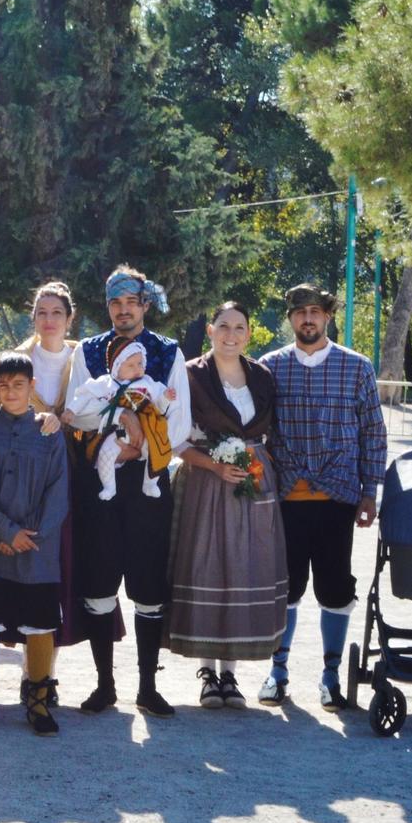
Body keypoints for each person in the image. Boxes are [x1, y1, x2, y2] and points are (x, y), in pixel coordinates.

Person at [64, 266, 189, 718]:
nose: (122, 311)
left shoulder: (167, 352)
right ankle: (104, 685)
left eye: (130, 303)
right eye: (115, 303)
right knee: (99, 582)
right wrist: (115, 436)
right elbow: (76, 412)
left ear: (145, 305)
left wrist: (140, 449)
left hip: (147, 481)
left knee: (148, 585)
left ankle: (147, 687)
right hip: (99, 479)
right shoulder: (90, 352)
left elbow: (179, 421)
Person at [259, 283, 387, 709]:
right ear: (290, 318)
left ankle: (331, 675)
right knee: (286, 587)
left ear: (328, 316)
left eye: (315, 311)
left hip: (339, 498)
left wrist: (369, 492)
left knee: (334, 587)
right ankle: (277, 672)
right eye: (300, 312)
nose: (307, 319)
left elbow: (372, 430)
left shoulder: (356, 367)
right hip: (285, 499)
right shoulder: (270, 367)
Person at [164, 302, 286, 709]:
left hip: (253, 479)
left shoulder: (263, 377)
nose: (230, 335)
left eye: (239, 328)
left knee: (243, 569)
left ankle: (230, 675)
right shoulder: (190, 375)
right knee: (208, 566)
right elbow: (175, 440)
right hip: (205, 481)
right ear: (211, 331)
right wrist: (215, 466)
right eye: (223, 327)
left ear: (249, 334)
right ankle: (207, 673)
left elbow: (270, 434)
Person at [0, 351, 70, 734]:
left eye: (18, 384)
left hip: (37, 547)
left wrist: (25, 534)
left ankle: (38, 700)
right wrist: (5, 531)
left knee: (39, 624)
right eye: (3, 385)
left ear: (32, 386)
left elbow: (58, 493)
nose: (10, 392)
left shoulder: (48, 432)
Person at [11, 281, 119, 653]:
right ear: (33, 318)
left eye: (57, 312)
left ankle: (49, 669)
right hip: (28, 478)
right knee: (33, 566)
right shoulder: (18, 358)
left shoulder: (85, 357)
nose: (49, 319)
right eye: (42, 312)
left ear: (70, 318)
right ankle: (31, 668)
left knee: (67, 566)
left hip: (78, 473)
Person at [68, 339, 172, 501]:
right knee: (106, 453)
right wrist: (71, 410)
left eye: (140, 363)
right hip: (114, 431)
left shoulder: (148, 383)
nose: (137, 369)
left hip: (146, 429)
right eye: (130, 365)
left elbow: (159, 404)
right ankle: (109, 486)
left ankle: (150, 483)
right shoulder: (106, 383)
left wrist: (166, 397)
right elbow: (84, 394)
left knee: (156, 451)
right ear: (116, 367)